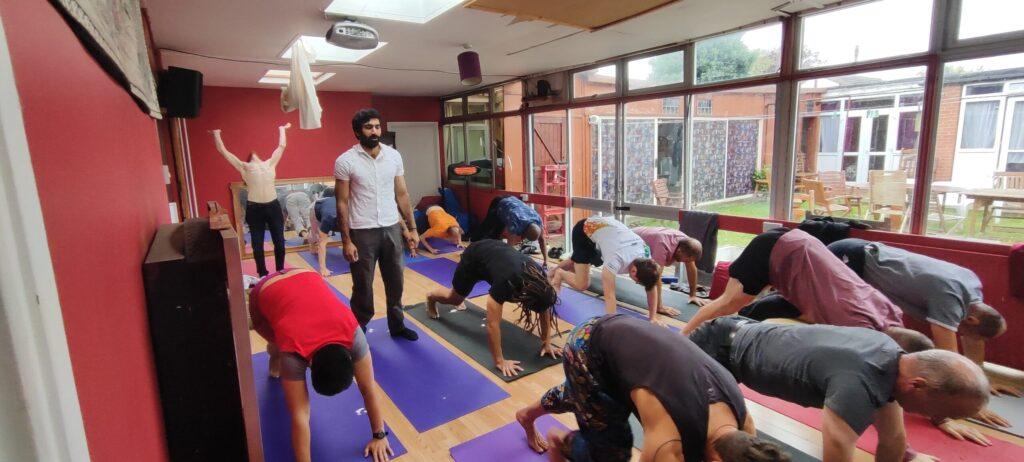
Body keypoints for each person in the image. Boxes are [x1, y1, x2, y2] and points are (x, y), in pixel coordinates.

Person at [690, 316, 991, 462]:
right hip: (717, 349)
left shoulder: (892, 360)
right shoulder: (858, 380)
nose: (938, 418)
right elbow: (837, 455)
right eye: (943, 412)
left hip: (742, 333)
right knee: (711, 443)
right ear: (918, 386)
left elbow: (893, 439)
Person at [516, 314, 788, 462]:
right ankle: (561, 443)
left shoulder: (746, 425)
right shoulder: (668, 443)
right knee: (611, 452)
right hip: (588, 346)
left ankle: (528, 413)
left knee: (586, 396)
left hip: (626, 337)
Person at [828, 238, 1016, 441]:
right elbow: (947, 363)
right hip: (847, 256)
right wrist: (950, 415)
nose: (977, 341)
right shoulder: (949, 299)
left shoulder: (973, 289)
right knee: (856, 326)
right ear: (971, 321)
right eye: (979, 336)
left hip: (865, 249)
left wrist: (982, 380)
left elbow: (974, 340)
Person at [680, 228, 931, 352]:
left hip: (800, 243)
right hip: (777, 249)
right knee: (730, 302)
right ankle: (683, 339)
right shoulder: (860, 324)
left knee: (746, 308)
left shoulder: (891, 314)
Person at [249, 268, 393, 462]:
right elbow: (300, 415)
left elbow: (368, 387)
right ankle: (274, 354)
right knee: (276, 345)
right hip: (263, 291)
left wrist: (379, 435)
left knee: (282, 337)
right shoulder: (293, 353)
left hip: (305, 276)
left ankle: (276, 350)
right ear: (308, 365)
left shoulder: (354, 334)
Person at [335, 109, 419, 341]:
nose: (374, 131)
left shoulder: (393, 156)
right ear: (357, 132)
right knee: (362, 286)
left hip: (391, 227)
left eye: (377, 127)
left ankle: (397, 325)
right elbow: (341, 203)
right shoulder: (345, 161)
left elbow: (402, 193)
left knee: (396, 281)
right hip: (361, 231)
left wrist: (411, 229)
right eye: (368, 127)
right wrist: (346, 240)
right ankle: (358, 330)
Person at [425, 239, 560, 377]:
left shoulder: (540, 279)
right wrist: (500, 361)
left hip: (495, 255)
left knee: (540, 304)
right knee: (454, 299)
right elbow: (492, 324)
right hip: (474, 258)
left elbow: (545, 309)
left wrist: (547, 343)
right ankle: (431, 297)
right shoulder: (507, 282)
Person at [549, 216, 677, 326]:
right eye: (638, 282)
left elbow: (651, 287)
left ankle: (554, 270)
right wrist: (612, 323)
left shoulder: (646, 255)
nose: (638, 284)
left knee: (581, 260)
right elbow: (610, 295)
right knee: (582, 284)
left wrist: (652, 317)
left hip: (606, 230)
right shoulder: (615, 260)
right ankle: (560, 273)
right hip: (584, 230)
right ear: (633, 272)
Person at [210, 123, 291, 277]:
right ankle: (262, 273)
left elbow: (282, 146)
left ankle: (280, 269)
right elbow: (223, 151)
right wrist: (216, 133)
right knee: (257, 244)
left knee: (279, 240)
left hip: (273, 206)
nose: (254, 153)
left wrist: (282, 129)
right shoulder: (244, 167)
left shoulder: (270, 163)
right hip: (255, 209)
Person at [633, 226, 709, 310]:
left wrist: (693, 295)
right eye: (686, 260)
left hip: (648, 237)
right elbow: (656, 276)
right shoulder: (662, 246)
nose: (685, 262)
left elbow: (691, 268)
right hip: (631, 239)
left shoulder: (687, 244)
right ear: (679, 251)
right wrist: (659, 306)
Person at [471, 195, 548, 266]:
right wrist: (510, 263)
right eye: (526, 237)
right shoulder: (515, 222)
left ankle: (492, 253)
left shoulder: (538, 221)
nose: (524, 239)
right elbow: (509, 246)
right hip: (499, 203)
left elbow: (542, 240)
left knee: (496, 236)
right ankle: (473, 242)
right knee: (488, 227)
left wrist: (545, 261)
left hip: (510, 205)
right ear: (525, 232)